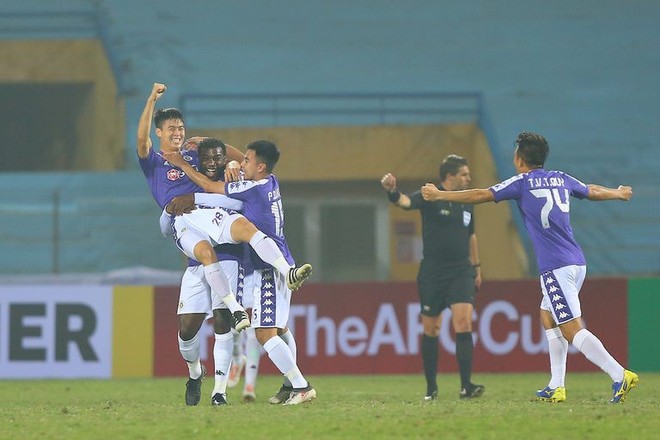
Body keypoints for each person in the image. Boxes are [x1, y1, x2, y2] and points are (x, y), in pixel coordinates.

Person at [421, 131, 639, 404]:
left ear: (520, 158)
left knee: (571, 328)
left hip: (555, 267)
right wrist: (617, 193)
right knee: (547, 316)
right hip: (576, 262)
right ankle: (556, 386)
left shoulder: (522, 183)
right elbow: (591, 190)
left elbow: (481, 194)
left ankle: (619, 374)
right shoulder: (561, 178)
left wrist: (441, 195)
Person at [137, 83, 313, 333]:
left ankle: (286, 273)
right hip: (184, 220)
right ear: (159, 132)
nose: (178, 132)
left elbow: (245, 162)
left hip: (208, 211)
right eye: (171, 129)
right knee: (188, 326)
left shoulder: (193, 154)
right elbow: (142, 140)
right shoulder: (153, 162)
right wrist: (151, 99)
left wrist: (225, 156)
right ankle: (207, 353)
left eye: (181, 128)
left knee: (246, 228)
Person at [165, 140, 317, 405]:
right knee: (280, 328)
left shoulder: (251, 187)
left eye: (247, 160)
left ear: (259, 166)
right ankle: (288, 386)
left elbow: (210, 187)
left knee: (264, 334)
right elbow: (244, 162)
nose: (240, 162)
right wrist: (215, 144)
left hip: (268, 267)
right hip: (277, 258)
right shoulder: (271, 181)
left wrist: (181, 167)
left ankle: (301, 386)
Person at [381, 155, 485, 401]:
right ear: (449, 176)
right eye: (464, 174)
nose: (468, 178)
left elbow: (471, 236)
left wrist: (477, 267)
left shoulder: (466, 201)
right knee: (432, 328)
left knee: (464, 322)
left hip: (461, 271)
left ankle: (466, 386)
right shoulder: (431, 194)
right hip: (433, 273)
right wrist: (393, 191)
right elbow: (405, 203)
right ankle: (431, 388)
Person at [161, 138, 250, 406]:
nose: (213, 163)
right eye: (207, 158)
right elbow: (168, 226)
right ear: (198, 160)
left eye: (218, 157)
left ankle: (219, 392)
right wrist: (170, 210)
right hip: (197, 264)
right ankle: (195, 372)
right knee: (187, 329)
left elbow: (243, 199)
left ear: (224, 157)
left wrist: (226, 150)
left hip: (229, 258)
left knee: (223, 323)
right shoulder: (190, 182)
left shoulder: (234, 176)